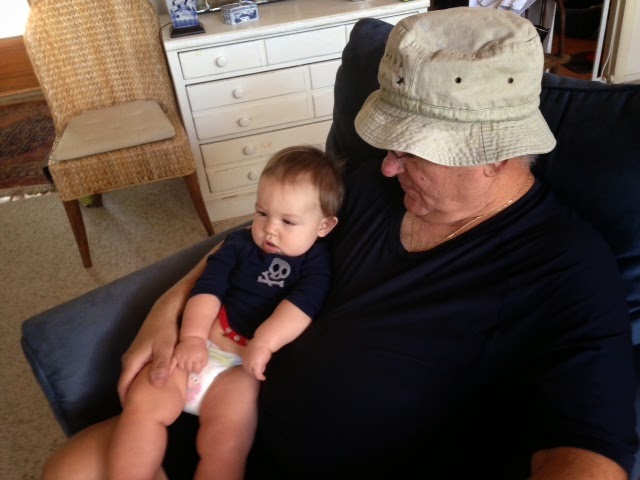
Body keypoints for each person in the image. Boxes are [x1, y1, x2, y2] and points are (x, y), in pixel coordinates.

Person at [42, 7, 637, 480]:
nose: (388, 166)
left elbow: (590, 452)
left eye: (410, 150)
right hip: (221, 404)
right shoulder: (369, 185)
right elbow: (258, 243)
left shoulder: (565, 267)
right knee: (69, 468)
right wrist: (166, 309)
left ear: (496, 154)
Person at [106, 145, 342, 480]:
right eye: (262, 213)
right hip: (201, 345)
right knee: (143, 406)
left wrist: (264, 343)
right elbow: (208, 288)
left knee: (228, 445)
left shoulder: (315, 264)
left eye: (288, 221)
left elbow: (301, 306)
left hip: (238, 371)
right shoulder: (239, 245)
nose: (270, 229)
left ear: (324, 226)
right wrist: (191, 337)